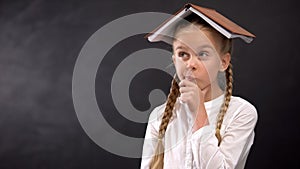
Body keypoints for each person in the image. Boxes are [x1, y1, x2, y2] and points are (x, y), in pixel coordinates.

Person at [140, 3, 258, 169]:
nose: (191, 64)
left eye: (203, 54)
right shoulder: (159, 116)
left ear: (223, 62)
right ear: (174, 60)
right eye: (183, 54)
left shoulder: (241, 112)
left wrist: (198, 112)